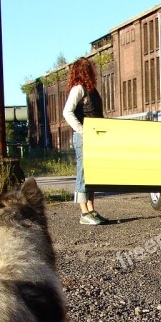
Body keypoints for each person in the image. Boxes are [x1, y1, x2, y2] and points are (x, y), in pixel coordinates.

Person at [63, 57, 108, 225]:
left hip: (94, 138)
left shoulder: (91, 90)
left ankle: (91, 210)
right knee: (83, 173)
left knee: (92, 174)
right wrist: (82, 130)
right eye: (90, 69)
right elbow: (67, 112)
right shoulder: (78, 89)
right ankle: (84, 213)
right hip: (84, 138)